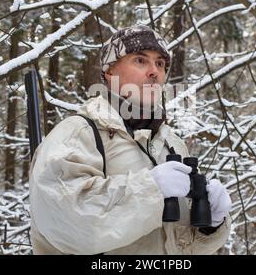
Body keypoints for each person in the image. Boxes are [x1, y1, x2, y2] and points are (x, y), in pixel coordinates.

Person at [29, 25, 232, 255]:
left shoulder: (172, 145)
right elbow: (68, 224)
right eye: (140, 60)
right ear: (110, 73)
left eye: (160, 64)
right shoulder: (77, 135)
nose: (154, 71)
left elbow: (177, 248)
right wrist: (151, 191)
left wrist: (210, 227)